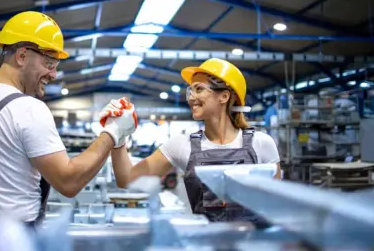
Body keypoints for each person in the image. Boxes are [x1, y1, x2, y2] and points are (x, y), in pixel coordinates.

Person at [0, 11, 137, 248]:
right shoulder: (28, 108)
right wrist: (112, 132)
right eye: (49, 63)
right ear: (22, 56)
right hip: (11, 240)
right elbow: (69, 182)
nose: (53, 74)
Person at [107, 58, 281, 224]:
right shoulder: (181, 145)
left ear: (224, 96)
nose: (190, 98)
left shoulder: (262, 143)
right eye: (190, 90)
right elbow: (127, 179)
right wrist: (118, 134)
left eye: (199, 89)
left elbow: (277, 204)